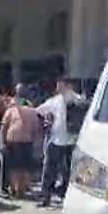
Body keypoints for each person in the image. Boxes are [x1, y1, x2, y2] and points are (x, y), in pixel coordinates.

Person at [36, 78, 85, 207]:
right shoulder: (57, 100)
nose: (58, 86)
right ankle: (47, 196)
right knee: (52, 170)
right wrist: (47, 121)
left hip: (71, 141)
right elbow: (39, 111)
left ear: (68, 85)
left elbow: (39, 111)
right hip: (59, 139)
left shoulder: (77, 100)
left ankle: (60, 196)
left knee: (65, 171)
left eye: (61, 84)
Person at [0, 91, 41, 199]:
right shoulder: (11, 111)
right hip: (12, 142)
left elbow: (36, 128)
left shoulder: (32, 112)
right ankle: (14, 189)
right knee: (13, 168)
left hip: (27, 143)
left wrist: (36, 142)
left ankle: (21, 189)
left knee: (24, 168)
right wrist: (2, 143)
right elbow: (3, 127)